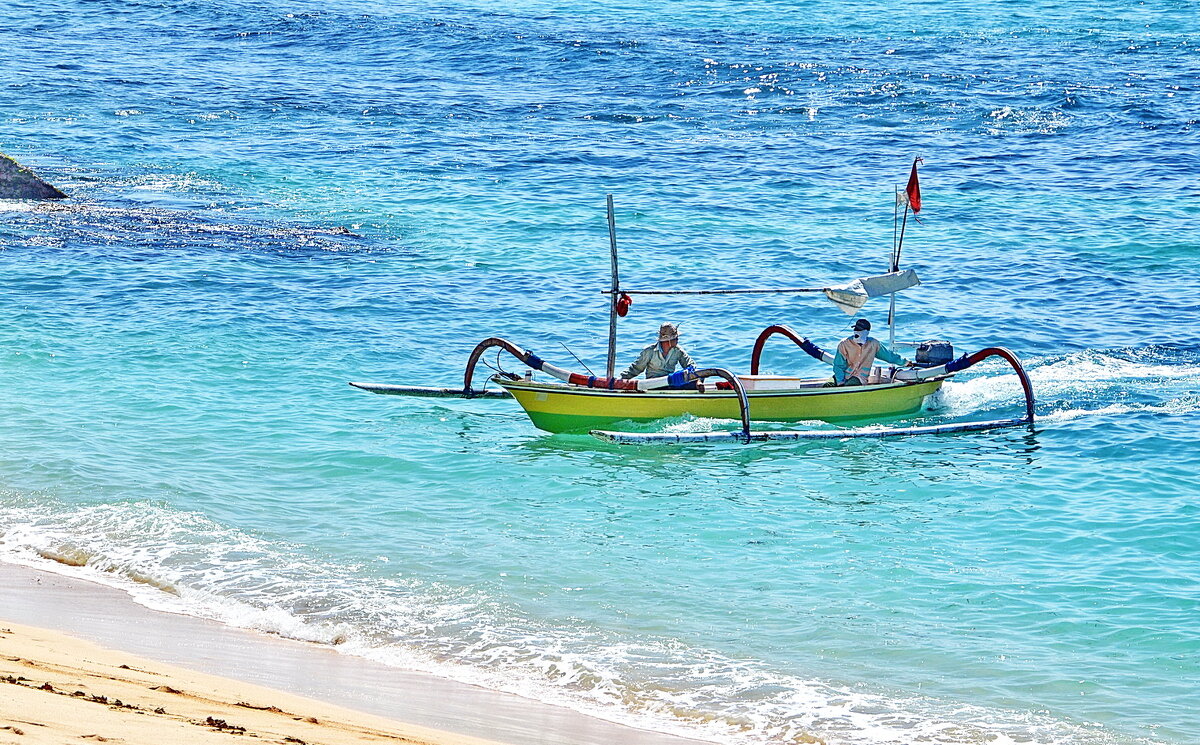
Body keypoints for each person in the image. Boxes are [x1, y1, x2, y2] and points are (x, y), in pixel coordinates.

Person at [829, 318, 909, 386]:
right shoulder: (844, 344)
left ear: (866, 332)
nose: (856, 331)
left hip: (860, 377)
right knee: (828, 384)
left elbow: (889, 356)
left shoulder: (873, 344)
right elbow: (838, 365)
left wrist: (905, 362)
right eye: (855, 329)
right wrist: (840, 381)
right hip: (843, 375)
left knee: (850, 385)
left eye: (859, 330)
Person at [620, 322, 695, 380]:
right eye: (675, 338)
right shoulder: (649, 351)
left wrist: (691, 372)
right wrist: (619, 380)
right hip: (652, 384)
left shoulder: (678, 351)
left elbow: (690, 365)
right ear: (667, 340)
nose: (677, 340)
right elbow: (635, 369)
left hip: (669, 382)